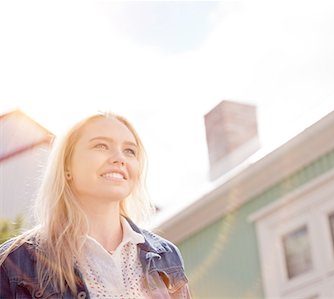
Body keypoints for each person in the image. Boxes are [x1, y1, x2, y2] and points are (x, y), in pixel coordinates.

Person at [0, 113, 191, 298]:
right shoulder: (12, 262)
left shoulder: (167, 256)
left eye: (130, 150)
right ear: (67, 165)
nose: (119, 158)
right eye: (101, 146)